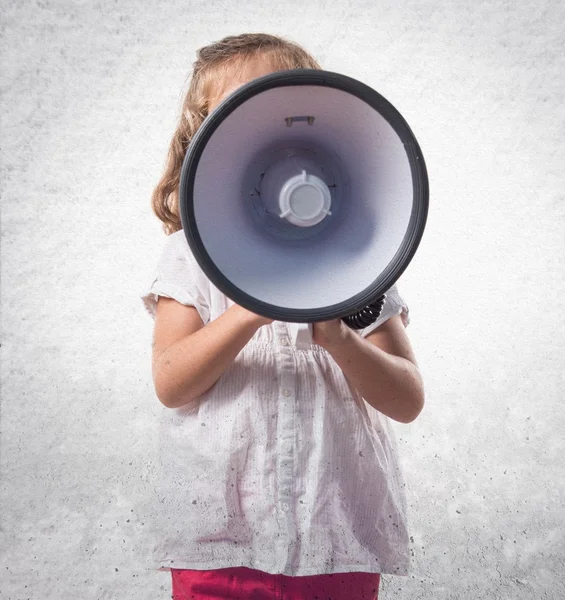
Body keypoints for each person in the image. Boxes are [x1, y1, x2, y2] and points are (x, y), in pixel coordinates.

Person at [142, 32, 425, 600]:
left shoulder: (362, 256)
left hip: (335, 536)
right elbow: (172, 383)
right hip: (222, 544)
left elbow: (407, 398)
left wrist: (341, 340)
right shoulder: (187, 255)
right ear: (203, 133)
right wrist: (248, 309)